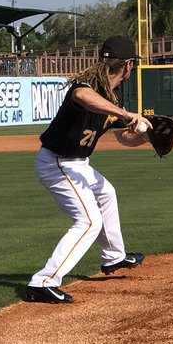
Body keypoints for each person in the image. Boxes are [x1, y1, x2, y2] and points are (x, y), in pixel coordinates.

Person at [24, 36, 154, 304]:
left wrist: (148, 137)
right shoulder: (89, 87)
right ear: (128, 66)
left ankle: (113, 256)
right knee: (89, 221)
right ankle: (43, 282)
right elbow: (81, 96)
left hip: (78, 165)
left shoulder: (111, 98)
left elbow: (124, 138)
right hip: (57, 162)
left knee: (107, 192)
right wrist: (127, 115)